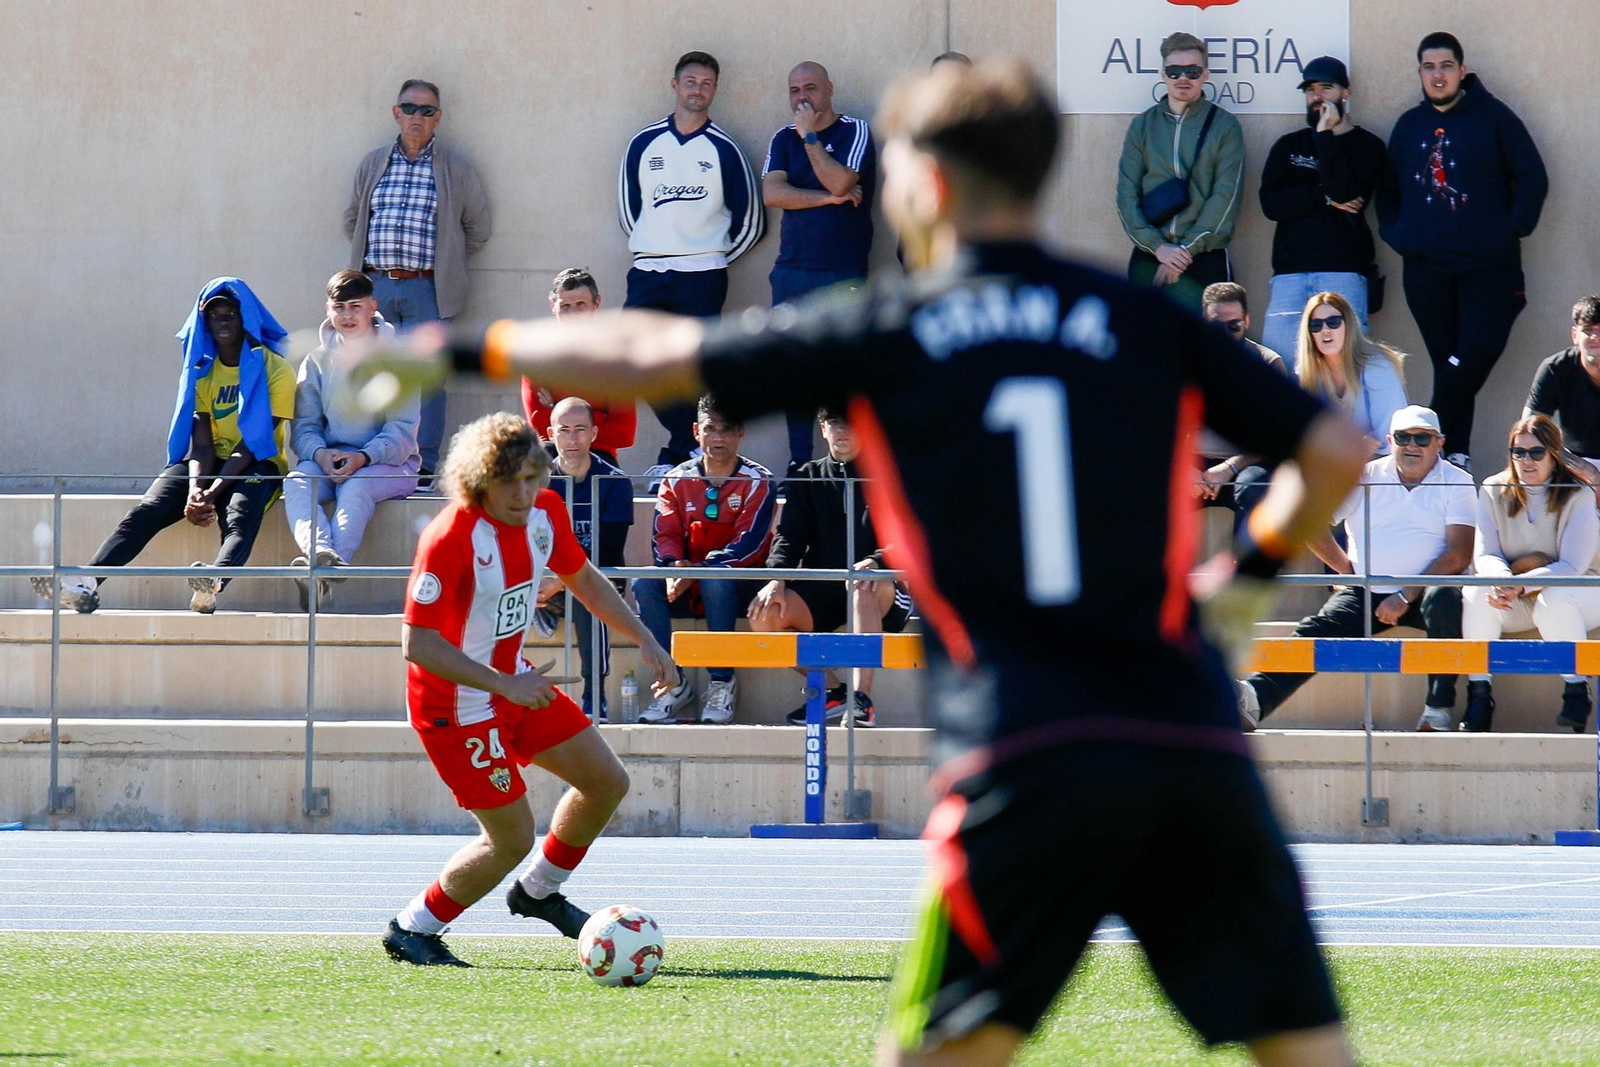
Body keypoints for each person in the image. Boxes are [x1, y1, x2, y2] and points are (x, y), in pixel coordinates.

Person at [349, 57, 1370, 1067]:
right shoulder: (1140, 313)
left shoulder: (896, 324)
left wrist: (458, 350)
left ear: (923, 184)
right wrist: (1238, 583)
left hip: (1026, 746)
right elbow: (1332, 447)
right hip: (1185, 735)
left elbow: (653, 354)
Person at [381, 413, 674, 968]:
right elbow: (416, 643)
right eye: (508, 480)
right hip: (456, 705)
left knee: (606, 781)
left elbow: (584, 578)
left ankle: (538, 892)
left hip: (514, 684)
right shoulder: (450, 536)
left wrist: (646, 639)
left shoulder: (547, 511)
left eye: (531, 478)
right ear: (477, 480)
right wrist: (503, 685)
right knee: (511, 838)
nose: (522, 493)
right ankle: (411, 927)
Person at [38, 279, 294, 615]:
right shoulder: (202, 372)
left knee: (239, 515)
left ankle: (211, 585)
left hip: (259, 463)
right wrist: (193, 491)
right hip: (213, 462)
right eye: (215, 314)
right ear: (205, 323)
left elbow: (252, 446)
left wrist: (212, 493)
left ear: (248, 318)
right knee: (150, 507)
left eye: (232, 312)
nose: (224, 320)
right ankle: (87, 583)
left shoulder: (277, 370)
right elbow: (201, 446)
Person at [1237, 406, 1472, 733]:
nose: (1412, 446)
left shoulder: (1458, 481)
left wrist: (1404, 595)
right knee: (1314, 631)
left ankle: (1438, 711)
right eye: (1403, 438)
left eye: (1422, 438)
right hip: (1365, 590)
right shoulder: (1364, 476)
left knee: (1446, 600)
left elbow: (1458, 554)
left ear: (1439, 442)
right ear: (1390, 440)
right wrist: (1347, 571)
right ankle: (1253, 699)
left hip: (1425, 594)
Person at [1377, 32, 1547, 469]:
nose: (1438, 74)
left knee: (1460, 366)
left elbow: (1532, 176)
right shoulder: (1409, 125)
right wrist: (1400, 236)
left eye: (1446, 65)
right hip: (1426, 272)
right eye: (1430, 67)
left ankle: (1420, 445)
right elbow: (1388, 190)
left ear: (1462, 70)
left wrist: (1510, 230)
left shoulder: (1493, 118)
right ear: (1420, 73)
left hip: (1489, 271)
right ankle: (1456, 459)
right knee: (1450, 368)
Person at [620, 51, 765, 479]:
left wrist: (711, 257)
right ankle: (685, 445)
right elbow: (631, 210)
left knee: (693, 368)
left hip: (702, 274)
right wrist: (654, 248)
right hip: (649, 272)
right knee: (635, 361)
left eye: (705, 83)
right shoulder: (644, 143)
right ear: (675, 85)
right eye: (690, 81)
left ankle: (682, 455)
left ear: (714, 90)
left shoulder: (724, 149)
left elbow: (751, 221)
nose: (697, 89)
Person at [345, 77, 492, 488]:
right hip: (374, 288)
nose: (417, 117)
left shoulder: (455, 168)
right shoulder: (374, 163)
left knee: (428, 378)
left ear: (437, 118)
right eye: (409, 108)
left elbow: (477, 228)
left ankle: (423, 466)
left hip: (428, 289)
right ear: (396, 113)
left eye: (427, 111)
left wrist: (446, 265)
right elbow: (353, 218)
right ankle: (375, 459)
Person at [748, 407, 914, 725]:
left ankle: (861, 701)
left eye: (850, 421)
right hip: (825, 585)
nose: (842, 429)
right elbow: (788, 537)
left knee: (861, 581)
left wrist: (877, 561)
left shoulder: (888, 472)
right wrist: (776, 579)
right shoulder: (806, 476)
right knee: (764, 613)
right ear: (823, 428)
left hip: (882, 589)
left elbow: (907, 536)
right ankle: (835, 694)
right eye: (835, 422)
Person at [762, 61, 876, 476]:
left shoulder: (854, 131)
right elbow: (773, 194)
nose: (802, 97)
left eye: (810, 88)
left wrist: (810, 137)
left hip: (841, 270)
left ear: (829, 88)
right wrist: (826, 200)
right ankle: (798, 460)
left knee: (843, 366)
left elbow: (841, 181)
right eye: (794, 91)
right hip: (792, 270)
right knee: (793, 368)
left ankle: (850, 459)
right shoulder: (781, 138)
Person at [285, 269, 421, 610]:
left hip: (389, 465)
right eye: (339, 307)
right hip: (329, 460)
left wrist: (364, 456)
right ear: (328, 309)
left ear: (372, 307)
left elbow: (402, 433)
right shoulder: (315, 362)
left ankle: (322, 573)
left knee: (357, 487)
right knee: (298, 481)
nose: (347, 315)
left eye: (355, 307)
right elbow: (304, 428)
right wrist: (318, 455)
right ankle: (319, 554)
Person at [635, 397, 775, 725]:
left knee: (717, 578)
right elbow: (664, 534)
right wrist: (673, 566)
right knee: (644, 583)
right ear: (697, 432)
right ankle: (672, 681)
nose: (718, 437)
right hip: (688, 583)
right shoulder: (676, 478)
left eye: (726, 429)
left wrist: (694, 570)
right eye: (710, 429)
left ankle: (722, 681)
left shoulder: (759, 480)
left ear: (740, 433)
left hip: (739, 588)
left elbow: (749, 545)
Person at [1462, 415, 1599, 733]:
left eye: (1536, 452)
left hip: (1584, 590)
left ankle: (1576, 690)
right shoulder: (1493, 489)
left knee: (1557, 598)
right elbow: (1484, 554)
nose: (1526, 460)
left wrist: (1518, 586)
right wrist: (1503, 581)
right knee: (1475, 591)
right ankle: (1479, 696)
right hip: (1518, 591)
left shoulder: (1579, 493)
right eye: (1518, 452)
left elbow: (1573, 567)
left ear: (1554, 454)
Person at [1257, 56, 1387, 369]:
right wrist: (1322, 197)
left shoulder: (1368, 146)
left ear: (1346, 92)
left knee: (1346, 370)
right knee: (1281, 370)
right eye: (1311, 90)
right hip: (1289, 275)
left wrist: (1324, 137)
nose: (1318, 97)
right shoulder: (1288, 146)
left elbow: (1345, 193)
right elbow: (1271, 205)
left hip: (1343, 273)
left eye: (1326, 88)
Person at [1115, 31, 1246, 311]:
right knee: (1145, 347)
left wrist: (1185, 252)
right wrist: (1159, 248)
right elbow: (1126, 196)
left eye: (1192, 71)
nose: (1183, 79)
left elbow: (1225, 197)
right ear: (1163, 75)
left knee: (1210, 350)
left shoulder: (1225, 126)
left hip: (1205, 257)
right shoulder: (1143, 126)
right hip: (1150, 256)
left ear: (1205, 74)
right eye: (1175, 71)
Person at [538, 397, 635, 720]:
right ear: (551, 434)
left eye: (580, 430)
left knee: (587, 594)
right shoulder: (535, 482)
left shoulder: (614, 482)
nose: (572, 438)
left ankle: (595, 698)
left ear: (594, 434)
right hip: (546, 579)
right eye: (564, 430)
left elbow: (606, 552)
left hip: (595, 578)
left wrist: (560, 581)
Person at [1196, 283, 1290, 533]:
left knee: (1254, 487)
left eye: (1234, 326)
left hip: (1247, 462)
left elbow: (1276, 436)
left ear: (1246, 321)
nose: (1226, 334)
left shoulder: (1268, 363)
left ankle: (1242, 572)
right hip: (1195, 462)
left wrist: (1230, 467)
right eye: (1217, 326)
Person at [520, 269, 637, 467]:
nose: (573, 314)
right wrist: (598, 418)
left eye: (580, 305)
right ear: (552, 306)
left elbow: (624, 433)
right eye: (565, 306)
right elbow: (541, 429)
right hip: (551, 461)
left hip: (601, 461)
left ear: (597, 303)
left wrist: (559, 417)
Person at [1293, 291, 1408, 457]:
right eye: (1316, 325)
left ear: (1349, 325)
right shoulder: (1305, 375)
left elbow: (1391, 439)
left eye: (1333, 322)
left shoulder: (1377, 367)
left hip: (1382, 468)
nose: (1325, 330)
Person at [1524, 296, 1600, 487]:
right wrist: (1584, 470)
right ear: (1575, 335)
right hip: (1572, 464)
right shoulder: (1555, 369)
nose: (1594, 338)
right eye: (1587, 331)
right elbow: (1529, 430)